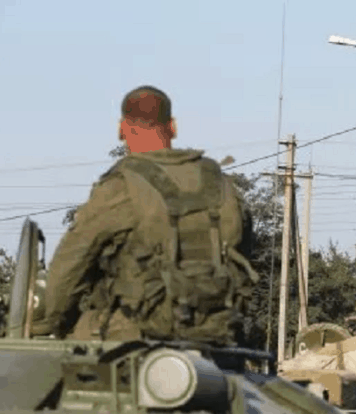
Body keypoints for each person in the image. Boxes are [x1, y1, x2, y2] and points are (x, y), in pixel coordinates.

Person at [34, 86, 257, 344]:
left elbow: (70, 265)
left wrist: (55, 324)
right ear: (172, 127)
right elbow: (245, 257)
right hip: (219, 333)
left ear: (122, 129)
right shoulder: (220, 183)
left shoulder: (122, 186)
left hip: (135, 336)